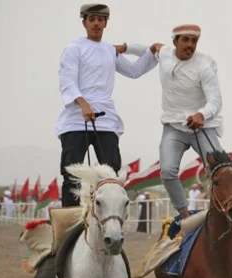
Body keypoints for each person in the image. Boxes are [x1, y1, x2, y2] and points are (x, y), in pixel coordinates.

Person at [124, 24, 232, 265]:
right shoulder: (164, 54)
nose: (190, 46)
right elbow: (151, 48)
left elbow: (216, 99)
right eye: (185, 41)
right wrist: (124, 47)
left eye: (194, 42)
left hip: (201, 127)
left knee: (226, 171)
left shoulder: (204, 66)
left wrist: (202, 114)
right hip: (173, 128)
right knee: (167, 171)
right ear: (175, 42)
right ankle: (185, 219)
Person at [55, 4, 160, 207]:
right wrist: (83, 104)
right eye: (92, 19)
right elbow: (67, 82)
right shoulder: (73, 49)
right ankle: (70, 227)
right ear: (84, 22)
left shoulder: (109, 51)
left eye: (100, 19)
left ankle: (106, 223)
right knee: (73, 175)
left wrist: (141, 48)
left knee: (111, 174)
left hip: (105, 120)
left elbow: (135, 70)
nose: (96, 23)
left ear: (105, 23)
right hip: (76, 120)